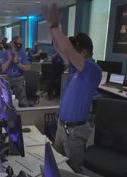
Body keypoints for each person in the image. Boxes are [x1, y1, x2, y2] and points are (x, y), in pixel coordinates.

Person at [43, 3, 102, 173]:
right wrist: (53, 27)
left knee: (74, 170)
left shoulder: (92, 70)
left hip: (75, 132)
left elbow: (67, 49)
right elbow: (60, 48)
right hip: (62, 127)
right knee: (57, 167)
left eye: (75, 51)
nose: (71, 54)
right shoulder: (75, 68)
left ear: (83, 52)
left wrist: (55, 26)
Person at [1, 36, 31, 107]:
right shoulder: (6, 53)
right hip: (8, 78)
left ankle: (24, 112)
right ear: (12, 43)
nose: (18, 46)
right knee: (5, 98)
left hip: (19, 78)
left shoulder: (22, 53)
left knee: (22, 100)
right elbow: (3, 69)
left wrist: (17, 63)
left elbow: (28, 68)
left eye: (20, 44)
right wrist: (10, 59)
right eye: (17, 43)